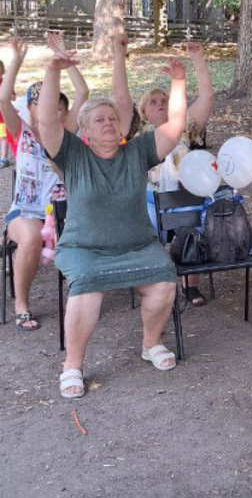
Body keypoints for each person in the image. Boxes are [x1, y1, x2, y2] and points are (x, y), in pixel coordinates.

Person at [37, 48, 188, 399]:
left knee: (164, 281)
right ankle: (72, 365)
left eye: (112, 118)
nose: (108, 123)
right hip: (84, 249)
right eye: (99, 120)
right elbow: (46, 123)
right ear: (84, 131)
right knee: (87, 288)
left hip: (137, 246)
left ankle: (151, 344)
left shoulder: (137, 151)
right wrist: (52, 70)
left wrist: (178, 81)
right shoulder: (73, 154)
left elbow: (175, 126)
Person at [112, 35, 215, 306]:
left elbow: (206, 96)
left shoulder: (185, 129)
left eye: (164, 100)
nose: (160, 104)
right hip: (149, 200)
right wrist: (119, 56)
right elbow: (122, 98)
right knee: (144, 229)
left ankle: (190, 285)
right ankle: (157, 285)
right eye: (153, 101)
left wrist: (198, 59)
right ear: (144, 111)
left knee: (194, 220)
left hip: (182, 197)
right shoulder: (136, 133)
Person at [0, 35, 89, 331]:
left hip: (65, 213)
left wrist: (64, 58)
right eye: (37, 100)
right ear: (30, 108)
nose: (47, 105)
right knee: (30, 236)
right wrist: (16, 60)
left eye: (54, 101)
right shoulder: (20, 133)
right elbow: (3, 99)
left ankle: (87, 297)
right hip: (25, 211)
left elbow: (83, 91)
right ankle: (21, 305)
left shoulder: (68, 133)